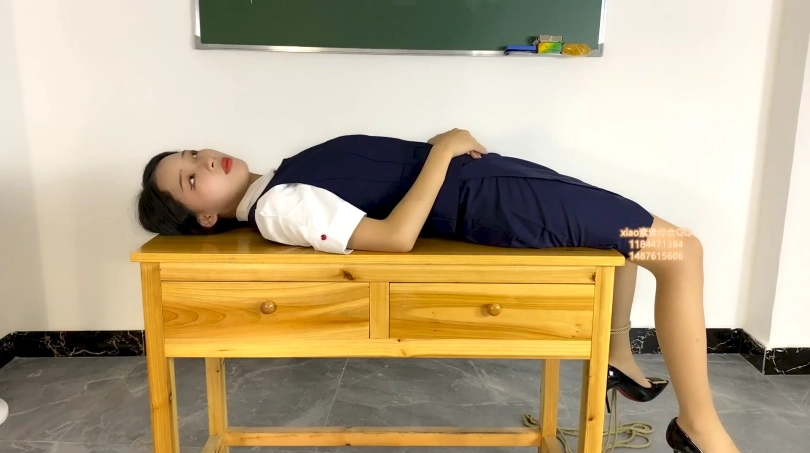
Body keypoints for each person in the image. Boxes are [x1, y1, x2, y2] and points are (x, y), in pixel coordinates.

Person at [137, 128, 740, 453]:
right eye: (190, 179)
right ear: (205, 217)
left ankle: (617, 355)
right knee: (680, 252)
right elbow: (395, 237)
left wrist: (445, 153)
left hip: (499, 182)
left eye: (193, 153)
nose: (205, 161)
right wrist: (444, 150)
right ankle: (699, 427)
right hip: (496, 202)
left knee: (627, 240)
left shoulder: (284, 175)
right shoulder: (277, 207)